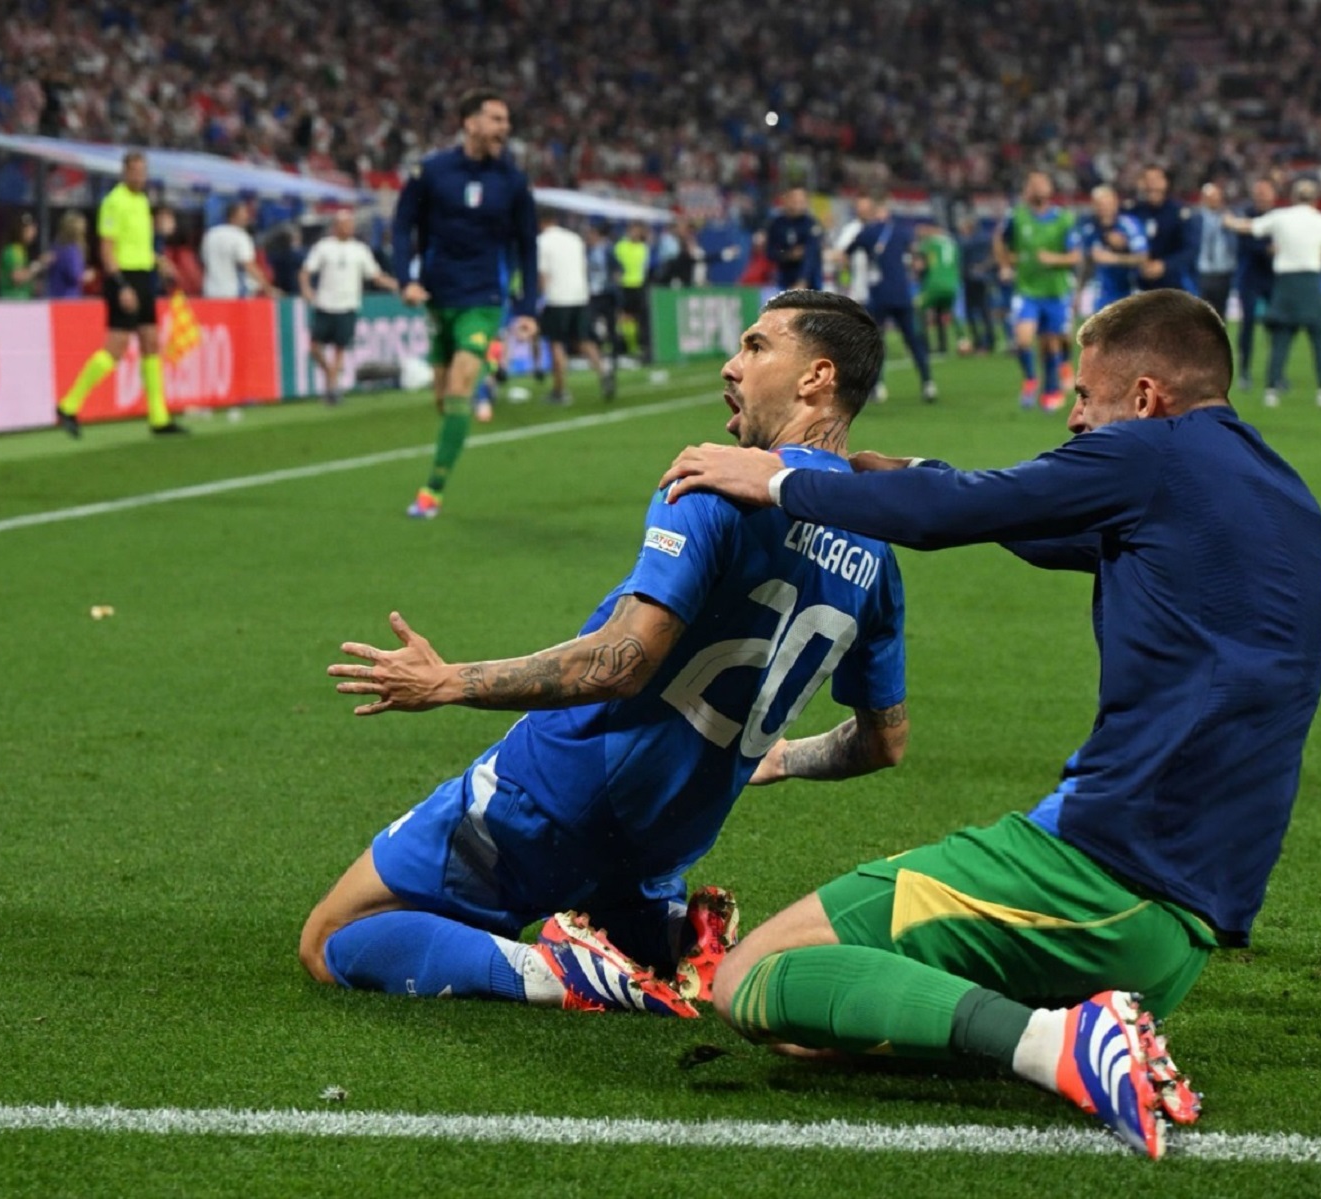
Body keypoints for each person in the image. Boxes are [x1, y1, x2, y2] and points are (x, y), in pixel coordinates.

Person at [658, 288, 1321, 1160]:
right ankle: (1065, 1030)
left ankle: (1056, 1043)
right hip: (1175, 939)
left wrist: (780, 479)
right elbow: (1018, 510)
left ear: (1146, 398)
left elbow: (964, 515)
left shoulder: (1153, 457)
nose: (1073, 415)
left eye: (1086, 398)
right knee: (821, 1024)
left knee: (755, 978)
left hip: (1104, 874)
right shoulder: (1272, 493)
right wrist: (901, 474)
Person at [303, 288, 910, 1018]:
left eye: (755, 347)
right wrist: (782, 756)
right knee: (618, 891)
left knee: (334, 936)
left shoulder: (713, 480)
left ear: (816, 376)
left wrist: (448, 681)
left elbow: (623, 660)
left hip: (557, 794)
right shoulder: (878, 552)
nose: (731, 365)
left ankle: (557, 971)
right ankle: (670, 936)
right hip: (669, 831)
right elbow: (884, 742)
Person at [392, 88, 540, 519]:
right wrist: (405, 280)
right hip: (439, 297)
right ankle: (482, 367)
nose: (504, 128)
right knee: (444, 401)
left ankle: (431, 493)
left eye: (506, 121)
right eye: (496, 119)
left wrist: (527, 307)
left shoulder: (512, 181)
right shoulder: (432, 172)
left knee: (460, 389)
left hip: (484, 297)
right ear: (470, 122)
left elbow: (527, 246)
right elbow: (402, 227)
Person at [55, 150, 185, 437]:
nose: (140, 176)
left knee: (151, 342)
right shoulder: (113, 202)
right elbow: (107, 249)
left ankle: (159, 418)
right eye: (135, 171)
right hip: (122, 277)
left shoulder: (142, 201)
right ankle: (68, 404)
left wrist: (159, 261)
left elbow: (137, 245)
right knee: (116, 349)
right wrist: (121, 284)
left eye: (143, 171)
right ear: (125, 172)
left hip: (143, 276)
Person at [1225, 179, 1321, 408]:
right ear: (1316, 199)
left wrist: (1228, 220)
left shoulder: (1281, 217)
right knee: (1320, 339)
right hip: (1311, 283)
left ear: (1293, 197)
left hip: (1285, 284)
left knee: (1281, 338)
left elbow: (1249, 227)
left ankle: (1271, 390)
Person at [994, 171, 1079, 411]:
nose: (1038, 187)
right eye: (1033, 184)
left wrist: (1053, 258)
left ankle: (1051, 389)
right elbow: (1000, 240)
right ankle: (1031, 379)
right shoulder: (1018, 216)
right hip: (1027, 290)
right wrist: (1004, 265)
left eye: (1042, 182)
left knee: (1052, 342)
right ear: (1028, 190)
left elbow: (1075, 256)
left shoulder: (1063, 219)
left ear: (1051, 188)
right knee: (1022, 339)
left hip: (1055, 291)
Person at [300, 208, 398, 405]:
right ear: (336, 227)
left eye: (350, 224)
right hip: (325, 304)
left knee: (339, 349)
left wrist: (396, 284)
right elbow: (305, 271)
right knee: (314, 347)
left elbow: (375, 276)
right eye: (345, 225)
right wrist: (306, 289)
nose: (349, 228)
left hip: (348, 305)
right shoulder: (324, 247)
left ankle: (332, 389)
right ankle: (329, 374)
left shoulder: (360, 250)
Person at [846, 197, 936, 403]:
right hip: (903, 295)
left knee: (876, 343)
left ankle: (877, 387)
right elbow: (918, 259)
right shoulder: (903, 231)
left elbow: (848, 250)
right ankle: (928, 383)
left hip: (879, 296)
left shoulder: (868, 232)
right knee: (913, 340)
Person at [536, 212, 616, 405]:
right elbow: (583, 268)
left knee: (556, 343)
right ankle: (604, 371)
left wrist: (539, 299)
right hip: (580, 296)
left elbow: (544, 274)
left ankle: (560, 391)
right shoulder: (575, 239)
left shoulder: (541, 241)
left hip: (557, 298)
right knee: (584, 340)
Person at [1071, 185, 1149, 314]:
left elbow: (1142, 257)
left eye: (1107, 203)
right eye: (1099, 204)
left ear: (1115, 204)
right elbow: (1087, 263)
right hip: (1101, 293)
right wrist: (1078, 292)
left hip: (1129, 290)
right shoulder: (1088, 229)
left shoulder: (1129, 225)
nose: (1103, 208)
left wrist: (1116, 256)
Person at [1232, 178, 1278, 392]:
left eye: (1265, 192)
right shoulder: (1245, 215)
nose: (1262, 196)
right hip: (1249, 278)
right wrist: (1266, 248)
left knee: (1277, 326)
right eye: (1258, 192)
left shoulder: (1279, 217)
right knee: (1248, 324)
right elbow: (1247, 243)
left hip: (1274, 278)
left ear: (1273, 195)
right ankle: (1245, 372)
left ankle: (1276, 374)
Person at [1126, 165, 1194, 293]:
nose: (1151, 185)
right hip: (1137, 284)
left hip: (1173, 284)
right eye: (1147, 180)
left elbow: (1189, 250)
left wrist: (1164, 265)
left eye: (1156, 179)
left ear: (1165, 183)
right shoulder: (1132, 212)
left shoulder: (1179, 212)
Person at [201, 201, 270, 299]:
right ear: (233, 216)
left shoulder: (210, 234)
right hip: (233, 294)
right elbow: (248, 265)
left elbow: (204, 260)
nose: (247, 216)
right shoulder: (240, 236)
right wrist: (267, 288)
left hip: (210, 291)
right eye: (244, 213)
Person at [913, 219, 960, 356]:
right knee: (942, 312)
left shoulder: (928, 243)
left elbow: (920, 265)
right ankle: (946, 345)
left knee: (917, 308)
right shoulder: (952, 243)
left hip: (934, 284)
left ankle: (923, 345)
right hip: (952, 284)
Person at [765, 187, 825, 291]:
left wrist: (802, 280)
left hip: (810, 283)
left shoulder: (811, 225)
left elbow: (811, 253)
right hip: (783, 280)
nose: (798, 205)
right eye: (795, 201)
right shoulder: (777, 224)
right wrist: (787, 255)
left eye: (801, 201)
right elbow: (770, 252)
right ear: (786, 201)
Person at [1190, 183, 1238, 314]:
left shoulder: (1230, 217)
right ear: (1203, 198)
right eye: (1211, 197)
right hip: (1201, 271)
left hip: (1224, 271)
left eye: (1217, 196)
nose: (1215, 200)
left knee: (1220, 313)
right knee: (1199, 313)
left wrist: (1233, 224)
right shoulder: (1194, 218)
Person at [957, 215, 999, 354]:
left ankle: (980, 342)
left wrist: (978, 268)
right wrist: (985, 267)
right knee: (984, 310)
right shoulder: (985, 238)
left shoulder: (967, 242)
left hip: (971, 279)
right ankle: (989, 340)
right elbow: (993, 255)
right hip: (984, 278)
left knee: (973, 311)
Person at [613, 222, 652, 364]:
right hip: (625, 285)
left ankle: (639, 348)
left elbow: (646, 267)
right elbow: (613, 263)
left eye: (637, 231)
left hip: (639, 286)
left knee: (639, 319)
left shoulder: (643, 248)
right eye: (632, 231)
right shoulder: (620, 246)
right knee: (624, 317)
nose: (635, 234)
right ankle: (628, 347)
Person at [585, 222, 623, 367]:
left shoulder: (607, 250)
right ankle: (597, 352)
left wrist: (614, 284)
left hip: (607, 293)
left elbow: (618, 268)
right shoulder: (587, 251)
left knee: (611, 324)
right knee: (590, 323)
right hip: (593, 293)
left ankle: (615, 355)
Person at [0, 212, 50, 299]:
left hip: (21, 301)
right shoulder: (13, 250)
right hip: (11, 302)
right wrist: (39, 264)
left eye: (33, 228)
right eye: (28, 229)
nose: (32, 233)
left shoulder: (21, 249)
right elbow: (17, 277)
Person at [45, 211, 95, 299]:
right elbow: (75, 276)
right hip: (68, 298)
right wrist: (87, 275)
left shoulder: (55, 246)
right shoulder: (72, 250)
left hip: (54, 296)